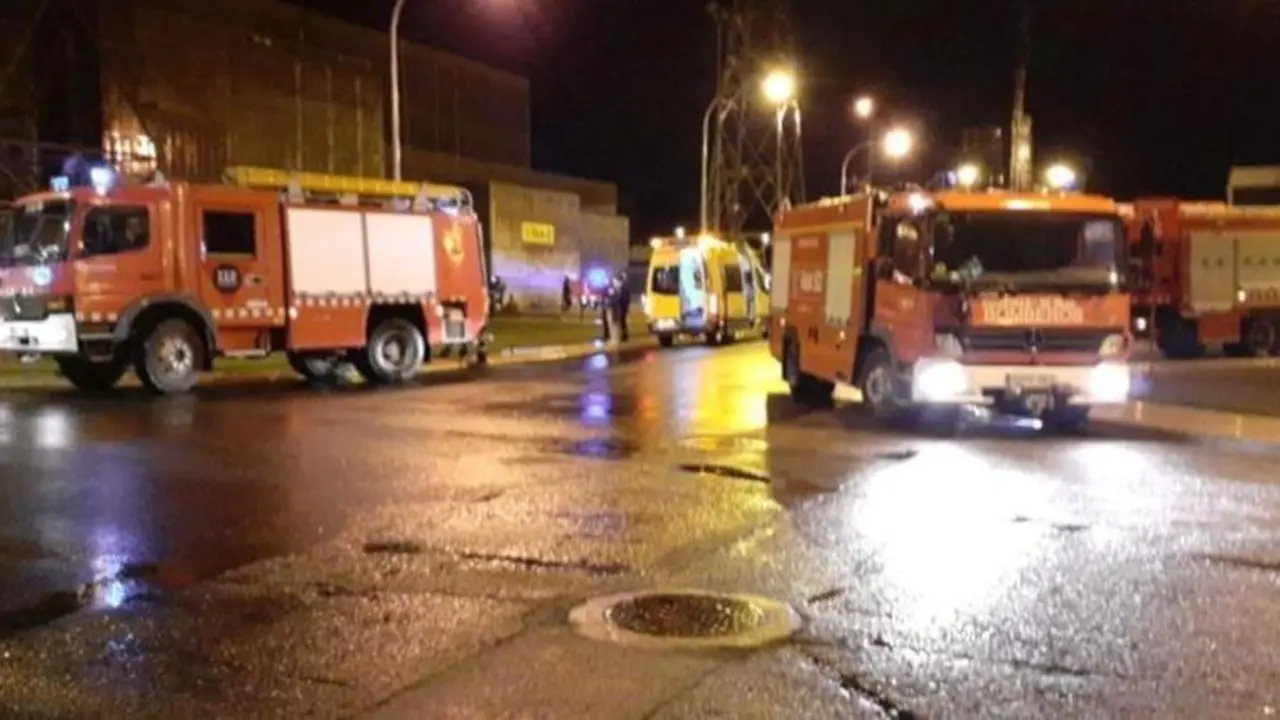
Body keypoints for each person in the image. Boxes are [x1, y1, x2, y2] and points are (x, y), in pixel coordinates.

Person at [613, 272, 631, 341]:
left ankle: (624, 335)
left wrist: (618, 300)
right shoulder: (623, 287)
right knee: (621, 320)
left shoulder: (624, 287)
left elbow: (624, 298)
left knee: (622, 320)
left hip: (623, 306)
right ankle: (623, 334)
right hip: (622, 306)